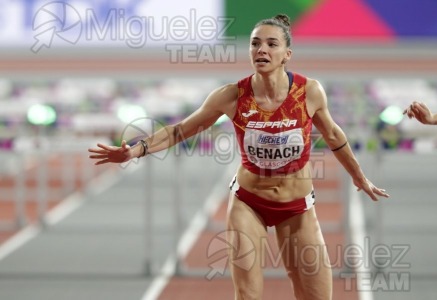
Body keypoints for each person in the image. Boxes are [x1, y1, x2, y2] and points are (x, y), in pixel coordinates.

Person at [88, 14, 389, 300]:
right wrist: (135, 150)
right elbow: (180, 131)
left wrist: (359, 178)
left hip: (297, 208)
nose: (262, 49)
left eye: (272, 44)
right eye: (255, 43)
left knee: (316, 294)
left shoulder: (309, 92)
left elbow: (335, 137)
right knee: (247, 295)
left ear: (287, 54)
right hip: (249, 202)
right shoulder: (232, 96)